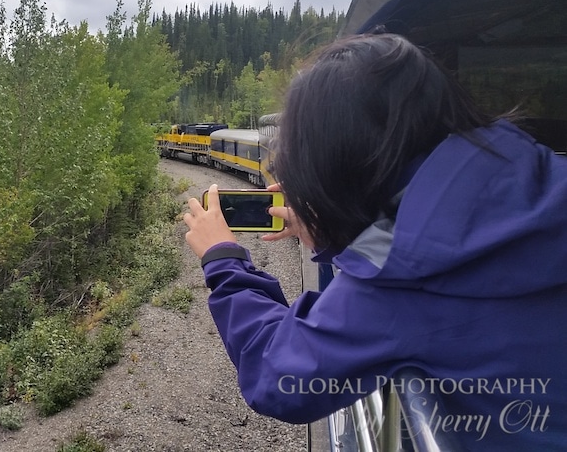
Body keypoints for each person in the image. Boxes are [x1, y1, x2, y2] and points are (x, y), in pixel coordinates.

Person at [183, 33, 567, 450]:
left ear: (336, 164)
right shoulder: (539, 174)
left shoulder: (399, 284)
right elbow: (428, 224)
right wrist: (333, 226)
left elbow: (278, 378)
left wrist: (224, 263)